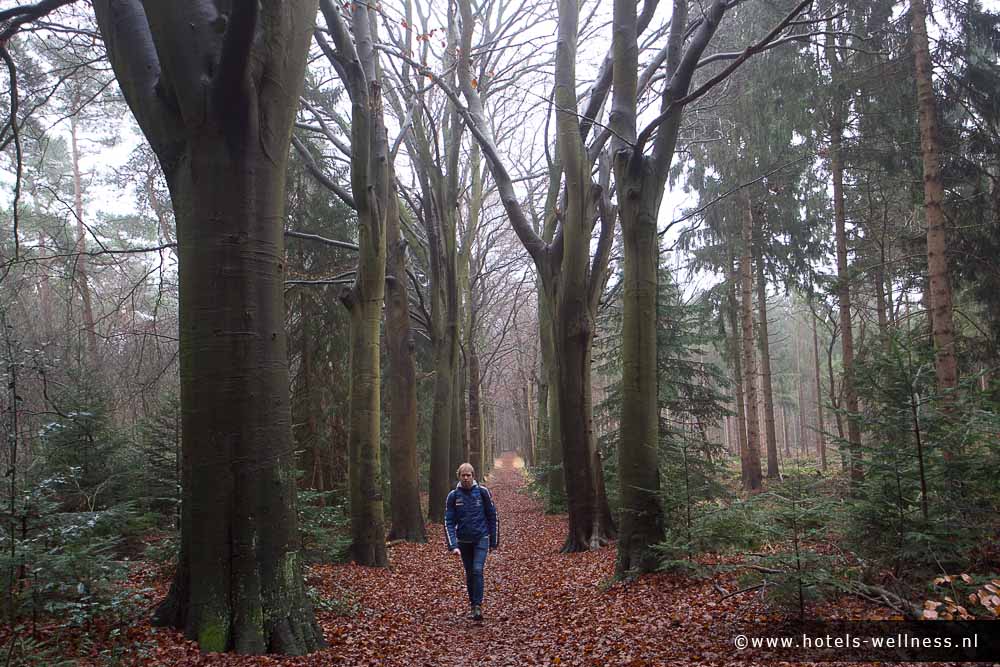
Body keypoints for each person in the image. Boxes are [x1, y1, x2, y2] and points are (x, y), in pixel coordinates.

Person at [444, 462, 499, 622]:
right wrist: (453, 545)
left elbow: (492, 516)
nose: (466, 478)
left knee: (477, 570)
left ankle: (478, 606)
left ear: (473, 476)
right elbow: (448, 521)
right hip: (463, 541)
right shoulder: (453, 496)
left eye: (469, 475)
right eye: (463, 475)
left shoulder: (483, 492)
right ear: (459, 477)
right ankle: (473, 605)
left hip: (481, 539)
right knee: (469, 575)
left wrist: (494, 541)